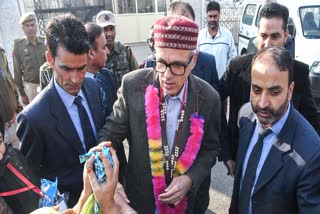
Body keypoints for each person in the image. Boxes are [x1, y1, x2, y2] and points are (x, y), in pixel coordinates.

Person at [97, 15, 221, 213]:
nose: (167, 76)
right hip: (140, 202)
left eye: (178, 65)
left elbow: (210, 149)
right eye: (161, 62)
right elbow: (108, 137)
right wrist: (111, 179)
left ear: (193, 60)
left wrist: (190, 179)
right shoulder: (133, 86)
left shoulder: (208, 99)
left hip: (188, 205)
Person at [219, 2, 320, 177]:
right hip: (242, 159)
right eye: (263, 35)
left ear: (286, 36)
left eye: (275, 36)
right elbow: (210, 102)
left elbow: (311, 119)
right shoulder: (237, 68)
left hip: (282, 166)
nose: (267, 43)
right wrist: (226, 151)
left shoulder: (300, 73)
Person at [16, 14, 105, 207]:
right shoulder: (33, 118)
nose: (75, 79)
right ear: (50, 59)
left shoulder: (93, 87)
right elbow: (32, 183)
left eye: (81, 68)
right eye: (66, 69)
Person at [230, 47, 320, 214]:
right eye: (256, 90)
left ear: (290, 91)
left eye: (274, 92)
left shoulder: (311, 154)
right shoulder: (245, 115)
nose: (263, 103)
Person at [96, 10, 139, 89]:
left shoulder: (125, 51)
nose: (109, 34)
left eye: (112, 29)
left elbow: (137, 77)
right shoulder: (95, 53)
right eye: (105, 29)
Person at [84, 23, 117, 118]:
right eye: (103, 47)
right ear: (91, 53)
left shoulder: (108, 76)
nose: (108, 51)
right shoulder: (77, 85)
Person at [197, 1, 237, 79]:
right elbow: (196, 59)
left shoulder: (227, 35)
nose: (212, 19)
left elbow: (233, 58)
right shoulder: (200, 36)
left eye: (215, 16)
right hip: (205, 82)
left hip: (222, 81)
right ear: (206, 16)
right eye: (210, 16)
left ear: (219, 16)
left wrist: (227, 75)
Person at [13, 12, 46, 105]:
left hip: (48, 84)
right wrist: (22, 93)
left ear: (36, 25)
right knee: (36, 116)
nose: (30, 28)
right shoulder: (19, 46)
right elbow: (17, 72)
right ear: (23, 28)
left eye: (32, 25)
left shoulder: (44, 42)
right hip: (32, 88)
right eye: (27, 26)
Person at [0, 46, 22, 149]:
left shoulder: (1, 54)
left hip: (11, 119)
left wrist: (16, 108)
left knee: (19, 157)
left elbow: (10, 84)